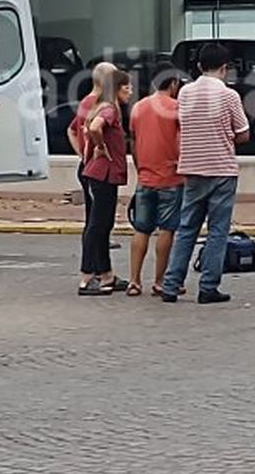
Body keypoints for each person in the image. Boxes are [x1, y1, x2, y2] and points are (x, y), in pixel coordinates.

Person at [159, 42, 249, 305]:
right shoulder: (229, 96)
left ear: (199, 66)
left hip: (192, 167)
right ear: (225, 68)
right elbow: (242, 133)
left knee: (187, 228)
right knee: (217, 231)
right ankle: (208, 286)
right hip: (221, 168)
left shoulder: (185, 93)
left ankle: (171, 285)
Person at [128, 67, 185, 297]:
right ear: (172, 84)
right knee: (167, 229)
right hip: (171, 176)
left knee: (141, 229)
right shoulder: (176, 108)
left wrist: (141, 166)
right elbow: (181, 142)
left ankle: (134, 280)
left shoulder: (138, 107)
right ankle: (160, 281)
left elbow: (133, 141)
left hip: (145, 176)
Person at [78, 68, 133, 295]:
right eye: (126, 87)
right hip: (103, 174)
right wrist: (101, 147)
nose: (130, 91)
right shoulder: (109, 109)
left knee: (103, 225)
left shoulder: (103, 106)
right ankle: (87, 276)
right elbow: (94, 127)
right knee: (98, 226)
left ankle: (106, 274)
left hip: (101, 174)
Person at [67, 61, 119, 228]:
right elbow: (92, 128)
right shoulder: (100, 104)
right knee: (99, 218)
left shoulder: (85, 102)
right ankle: (96, 249)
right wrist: (99, 147)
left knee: (93, 215)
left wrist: (82, 154)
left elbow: (72, 130)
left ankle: (93, 248)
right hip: (97, 167)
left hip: (88, 165)